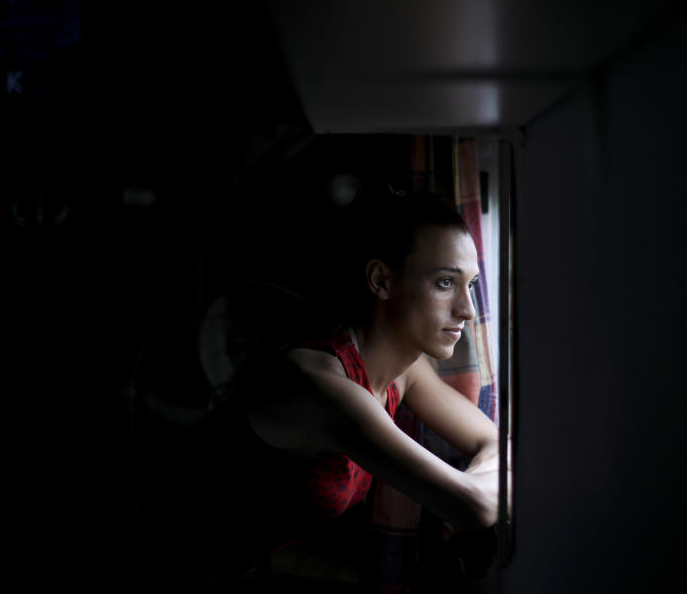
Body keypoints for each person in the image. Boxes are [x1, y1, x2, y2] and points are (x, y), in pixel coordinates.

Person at [167, 187, 506, 589]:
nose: (467, 310)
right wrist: (482, 493)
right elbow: (477, 506)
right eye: (445, 282)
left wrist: (484, 482)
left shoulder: (407, 372)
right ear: (381, 280)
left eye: (469, 285)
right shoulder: (322, 386)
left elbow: (497, 443)